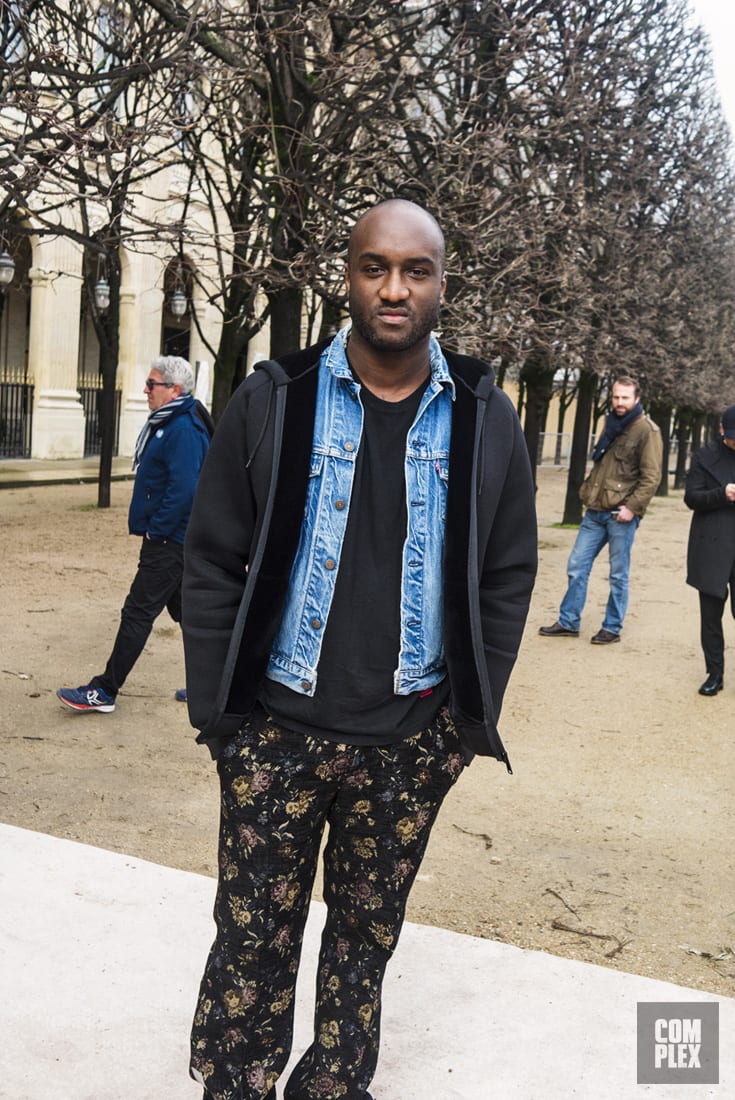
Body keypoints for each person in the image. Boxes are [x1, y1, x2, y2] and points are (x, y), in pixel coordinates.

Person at [181, 198, 537, 1100]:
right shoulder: (276, 399)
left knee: (364, 937)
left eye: (415, 271)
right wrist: (219, 716)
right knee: (253, 931)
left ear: (440, 285)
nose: (393, 288)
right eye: (375, 267)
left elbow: (506, 576)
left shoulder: (485, 418)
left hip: (408, 740)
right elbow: (213, 557)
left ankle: (334, 1084)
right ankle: (236, 1082)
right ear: (348, 276)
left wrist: (463, 725)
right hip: (276, 729)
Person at [57, 355, 211, 713]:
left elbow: (186, 489)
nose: (145, 390)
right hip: (174, 539)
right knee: (191, 615)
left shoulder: (183, 428)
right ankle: (216, 686)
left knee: (137, 613)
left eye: (152, 384)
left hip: (170, 541)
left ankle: (105, 691)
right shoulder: (172, 421)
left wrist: (156, 531)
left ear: (174, 389)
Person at [539, 375, 662, 645]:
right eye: (616, 397)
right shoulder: (612, 423)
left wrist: (632, 509)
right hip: (595, 511)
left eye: (625, 398)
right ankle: (569, 621)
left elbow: (651, 477)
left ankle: (612, 627)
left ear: (637, 399)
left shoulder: (647, 430)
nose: (619, 402)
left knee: (618, 574)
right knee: (576, 565)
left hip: (621, 515)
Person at [684, 405, 735, 696]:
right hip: (712, 547)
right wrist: (723, 493)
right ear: (721, 431)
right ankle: (714, 673)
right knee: (711, 618)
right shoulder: (705, 457)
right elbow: (692, 497)